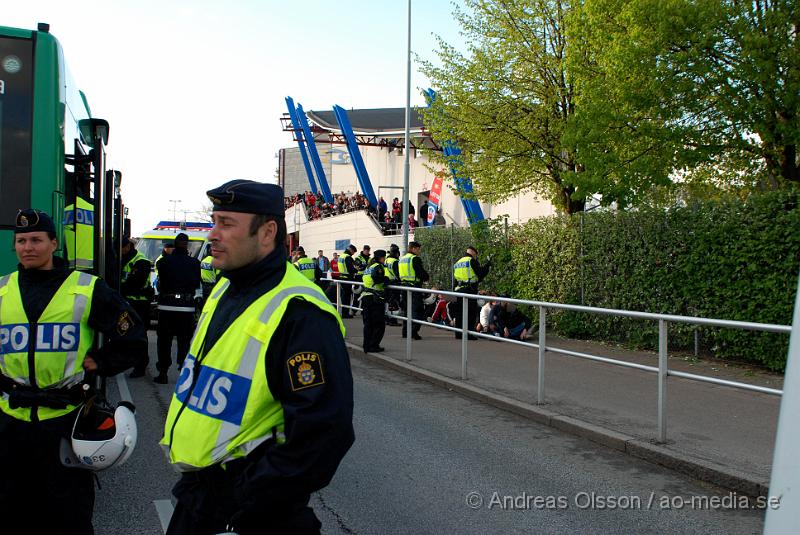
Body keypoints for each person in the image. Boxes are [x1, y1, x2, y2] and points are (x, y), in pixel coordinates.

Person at [161, 179, 354, 535]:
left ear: (267, 233)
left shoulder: (300, 312)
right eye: (214, 221)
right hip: (200, 499)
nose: (212, 234)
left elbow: (325, 431)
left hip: (250, 515)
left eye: (227, 223)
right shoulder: (225, 289)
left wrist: (252, 499)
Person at [0, 209, 147, 534]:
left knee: (69, 519)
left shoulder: (85, 288)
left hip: (65, 422)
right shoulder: (2, 290)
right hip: (12, 423)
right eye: (21, 241)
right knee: (12, 513)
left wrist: (103, 361)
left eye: (36, 240)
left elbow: (133, 336)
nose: (28, 247)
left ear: (54, 243)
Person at [154, 232, 201, 384]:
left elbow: (160, 284)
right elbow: (195, 284)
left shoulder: (163, 262)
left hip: (166, 306)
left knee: (164, 341)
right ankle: (183, 370)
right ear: (186, 245)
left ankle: (163, 372)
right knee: (184, 340)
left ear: (174, 245)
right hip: (185, 307)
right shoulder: (194, 263)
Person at [120, 236, 154, 377]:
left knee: (139, 335)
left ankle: (141, 365)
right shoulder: (121, 258)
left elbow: (135, 283)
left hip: (140, 304)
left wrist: (121, 287)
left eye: (122, 248)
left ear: (128, 246)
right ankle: (128, 362)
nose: (119, 251)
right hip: (126, 302)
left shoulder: (141, 261)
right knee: (125, 334)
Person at [452, 245, 492, 340]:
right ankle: (468, 334)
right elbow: (480, 273)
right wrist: (488, 265)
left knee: (459, 313)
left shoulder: (458, 262)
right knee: (470, 312)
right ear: (473, 253)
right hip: (469, 290)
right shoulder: (471, 261)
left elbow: (455, 280)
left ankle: (458, 334)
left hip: (459, 290)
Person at [398, 241, 429, 340]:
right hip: (414, 288)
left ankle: (405, 332)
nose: (419, 251)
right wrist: (426, 277)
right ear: (413, 248)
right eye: (418, 249)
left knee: (407, 310)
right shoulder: (414, 259)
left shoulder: (402, 259)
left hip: (404, 287)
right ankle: (413, 332)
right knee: (417, 310)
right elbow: (421, 273)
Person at [361, 249, 387, 352]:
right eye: (384, 257)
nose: (384, 259)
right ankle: (373, 345)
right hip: (375, 298)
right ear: (381, 257)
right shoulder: (378, 267)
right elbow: (378, 279)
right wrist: (386, 279)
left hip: (366, 297)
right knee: (379, 324)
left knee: (368, 324)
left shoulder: (369, 267)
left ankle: (366, 345)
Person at [384, 244, 401, 326]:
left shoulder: (387, 260)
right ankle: (393, 320)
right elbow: (398, 274)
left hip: (387, 283)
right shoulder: (395, 261)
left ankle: (387, 319)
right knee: (394, 303)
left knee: (388, 301)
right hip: (394, 283)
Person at [337, 245, 356, 318]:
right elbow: (351, 269)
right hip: (347, 279)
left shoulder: (341, 256)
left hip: (341, 277)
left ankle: (344, 312)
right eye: (353, 251)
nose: (353, 253)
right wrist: (356, 270)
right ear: (351, 250)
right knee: (347, 297)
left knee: (343, 296)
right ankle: (345, 314)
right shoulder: (348, 257)